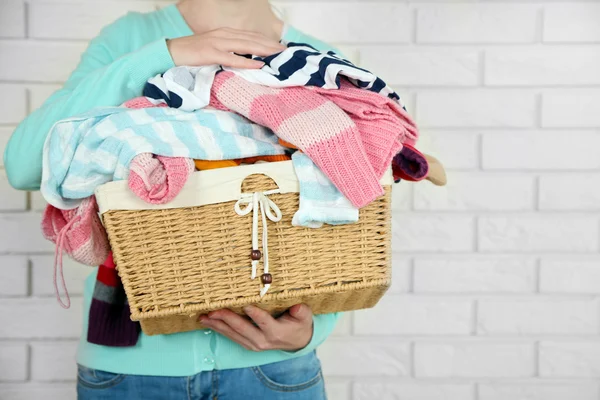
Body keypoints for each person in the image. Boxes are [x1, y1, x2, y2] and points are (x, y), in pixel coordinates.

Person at [4, 1, 342, 398]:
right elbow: (24, 166)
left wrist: (311, 330)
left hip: (274, 369)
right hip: (129, 369)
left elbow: (347, 200)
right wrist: (168, 53)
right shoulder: (131, 39)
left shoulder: (315, 59)